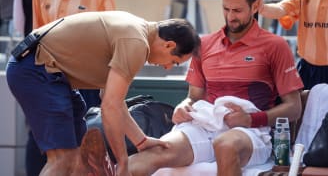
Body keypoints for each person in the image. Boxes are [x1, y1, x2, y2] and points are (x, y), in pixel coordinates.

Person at [123, 0, 302, 176]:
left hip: (252, 133)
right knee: (154, 152)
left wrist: (252, 119)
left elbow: (294, 108)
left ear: (256, 5)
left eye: (237, 10)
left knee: (225, 145)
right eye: (226, 9)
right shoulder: (204, 45)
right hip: (205, 124)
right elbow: (193, 97)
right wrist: (183, 106)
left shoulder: (275, 46)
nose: (231, 16)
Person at [6, 10, 201, 176]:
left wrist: (140, 141)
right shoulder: (136, 42)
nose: (167, 68)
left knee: (77, 158)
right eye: (174, 62)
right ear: (169, 45)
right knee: (62, 159)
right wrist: (123, 162)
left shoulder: (136, 31)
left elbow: (112, 101)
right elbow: (110, 106)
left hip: (46, 72)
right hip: (36, 69)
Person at [24, 0, 116, 175]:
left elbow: (111, 44)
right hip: (49, 80)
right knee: (41, 143)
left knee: (84, 148)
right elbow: (36, 40)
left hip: (86, 83)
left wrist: (107, 87)